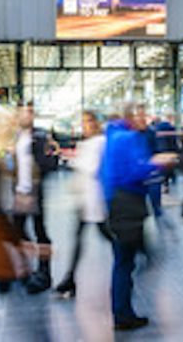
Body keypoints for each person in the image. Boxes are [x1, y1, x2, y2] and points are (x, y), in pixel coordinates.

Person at [100, 103, 172, 331]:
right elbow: (134, 171)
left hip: (116, 203)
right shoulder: (128, 138)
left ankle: (123, 311)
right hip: (127, 203)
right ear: (130, 117)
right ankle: (122, 314)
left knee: (123, 260)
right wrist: (156, 163)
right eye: (141, 115)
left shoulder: (113, 136)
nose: (146, 119)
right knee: (124, 262)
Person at [54, 111, 114, 298]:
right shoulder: (86, 144)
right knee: (79, 237)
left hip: (97, 198)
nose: (85, 126)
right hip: (85, 200)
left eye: (89, 121)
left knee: (107, 234)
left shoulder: (101, 142)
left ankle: (133, 251)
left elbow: (96, 168)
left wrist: (77, 163)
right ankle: (70, 278)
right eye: (83, 122)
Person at [12, 102, 59, 294]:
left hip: (35, 193)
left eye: (30, 112)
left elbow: (50, 162)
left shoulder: (40, 136)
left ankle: (45, 273)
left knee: (41, 233)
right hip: (19, 192)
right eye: (24, 112)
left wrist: (47, 159)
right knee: (17, 233)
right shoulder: (16, 137)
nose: (27, 116)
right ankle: (26, 270)